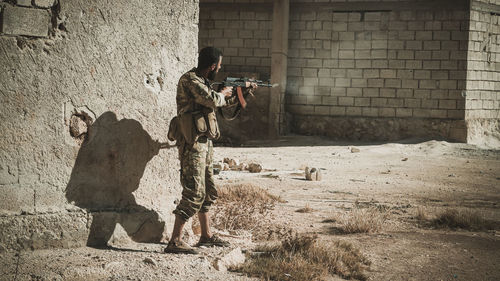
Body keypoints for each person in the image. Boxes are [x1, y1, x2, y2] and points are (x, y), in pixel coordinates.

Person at [164, 47, 254, 254]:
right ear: (213, 66)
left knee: (208, 190)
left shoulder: (204, 82)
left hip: (205, 141)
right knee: (194, 191)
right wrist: (222, 93)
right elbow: (212, 99)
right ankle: (175, 241)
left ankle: (206, 236)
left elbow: (219, 103)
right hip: (192, 142)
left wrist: (242, 92)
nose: (219, 69)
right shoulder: (190, 80)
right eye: (219, 66)